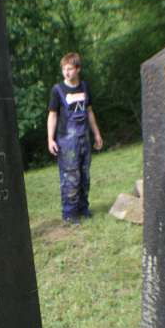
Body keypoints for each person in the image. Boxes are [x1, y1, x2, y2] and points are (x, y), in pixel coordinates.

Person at [47, 52, 104, 224]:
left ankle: (83, 209)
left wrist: (97, 134)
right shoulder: (57, 90)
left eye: (70, 69)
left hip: (84, 139)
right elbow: (52, 115)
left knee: (84, 176)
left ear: (78, 69)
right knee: (70, 178)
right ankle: (70, 215)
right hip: (66, 141)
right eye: (64, 69)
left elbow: (89, 112)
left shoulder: (84, 87)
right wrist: (50, 139)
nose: (66, 72)